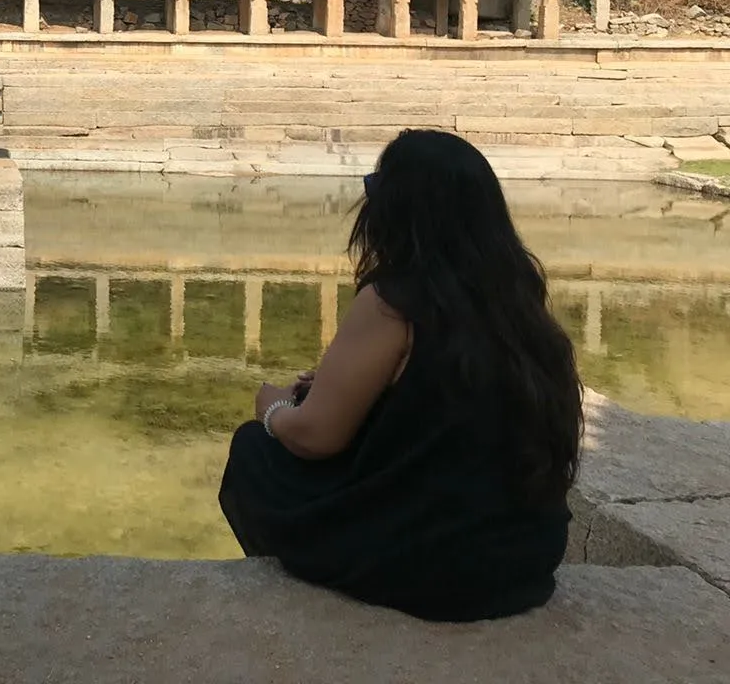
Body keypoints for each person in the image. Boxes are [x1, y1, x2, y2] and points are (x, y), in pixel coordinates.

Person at [218, 129, 583, 622]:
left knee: (254, 453)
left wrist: (275, 409)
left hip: (435, 568)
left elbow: (317, 437)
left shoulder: (394, 301)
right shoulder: (518, 298)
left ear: (396, 211)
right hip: (526, 559)